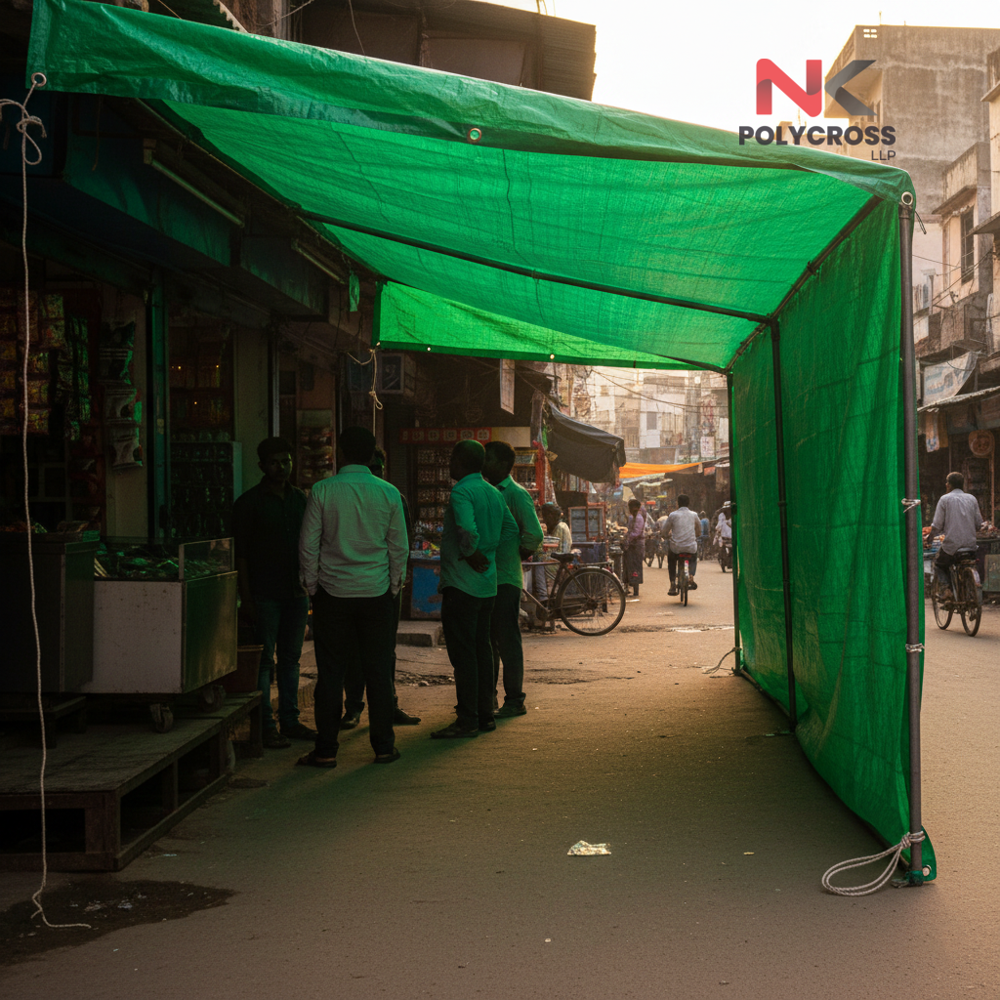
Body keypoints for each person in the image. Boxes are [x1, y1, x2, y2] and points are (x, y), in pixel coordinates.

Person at [297, 426, 408, 767]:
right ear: (372, 453)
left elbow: (308, 546)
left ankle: (326, 749)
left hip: (333, 594)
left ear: (342, 453)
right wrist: (392, 588)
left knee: (331, 672)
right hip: (376, 594)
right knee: (377, 670)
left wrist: (313, 587)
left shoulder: (322, 490)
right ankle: (384, 746)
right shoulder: (389, 493)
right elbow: (398, 548)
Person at [233, 437, 316, 750]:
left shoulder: (300, 500)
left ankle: (290, 721)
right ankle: (266, 724)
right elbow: (240, 555)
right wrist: (247, 599)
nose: (282, 467)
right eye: (275, 462)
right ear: (262, 466)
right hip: (264, 594)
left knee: (291, 660)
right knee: (265, 661)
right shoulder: (249, 504)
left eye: (286, 461)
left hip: (296, 593)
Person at [433, 439, 517, 739]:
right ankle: (484, 715)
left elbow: (467, 529)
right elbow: (511, 529)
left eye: (452, 460)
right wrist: (490, 553)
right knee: (481, 650)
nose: (449, 465)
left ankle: (467, 718)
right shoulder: (493, 492)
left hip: (462, 583)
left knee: (465, 654)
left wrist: (472, 552)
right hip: (487, 584)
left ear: (459, 461)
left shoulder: (462, 491)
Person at [340, 448, 421, 729]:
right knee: (354, 649)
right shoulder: (341, 493)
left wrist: (396, 581)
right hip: (350, 584)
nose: (376, 473)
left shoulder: (393, 496)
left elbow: (403, 543)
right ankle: (354, 707)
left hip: (384, 585)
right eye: (371, 467)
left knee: (385, 649)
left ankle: (388, 705)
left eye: (379, 468)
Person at [482, 441, 544, 718]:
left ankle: (515, 699)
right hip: (485, 578)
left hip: (505, 578)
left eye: (489, 459)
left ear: (504, 464)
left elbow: (534, 534)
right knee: (489, 641)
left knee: (507, 639)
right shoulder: (486, 491)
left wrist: (513, 555)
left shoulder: (515, 494)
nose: (485, 464)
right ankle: (489, 699)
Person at [923, 471, 985, 600]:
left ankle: (946, 589)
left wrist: (929, 538)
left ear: (949, 485)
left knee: (939, 564)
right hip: (970, 546)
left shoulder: (944, 499)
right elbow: (979, 524)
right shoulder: (972, 499)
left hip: (952, 546)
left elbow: (937, 525)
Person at [664, 493, 701, 595]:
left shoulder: (672, 515)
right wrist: (695, 536)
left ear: (677, 504)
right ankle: (691, 576)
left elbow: (664, 531)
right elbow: (699, 531)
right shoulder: (694, 515)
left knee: (671, 560)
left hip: (676, 548)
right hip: (690, 547)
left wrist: (665, 536)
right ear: (689, 503)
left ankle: (672, 584)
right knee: (694, 556)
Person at [624, 498, 646, 597]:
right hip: (632, 545)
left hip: (637, 545)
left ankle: (636, 589)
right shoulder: (632, 517)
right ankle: (629, 585)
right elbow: (630, 530)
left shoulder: (638, 518)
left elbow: (636, 533)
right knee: (629, 566)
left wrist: (627, 539)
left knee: (636, 566)